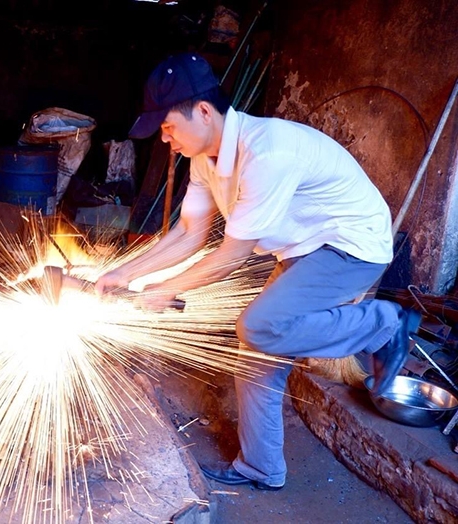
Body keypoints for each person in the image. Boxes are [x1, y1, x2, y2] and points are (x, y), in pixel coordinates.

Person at [95, 52, 420, 491]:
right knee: (256, 356)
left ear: (204, 112)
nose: (166, 139)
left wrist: (163, 289)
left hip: (352, 247)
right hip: (304, 249)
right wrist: (124, 274)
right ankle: (261, 467)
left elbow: (232, 256)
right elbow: (189, 234)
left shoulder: (266, 152)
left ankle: (383, 324)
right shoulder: (203, 161)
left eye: (169, 127)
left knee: (258, 325)